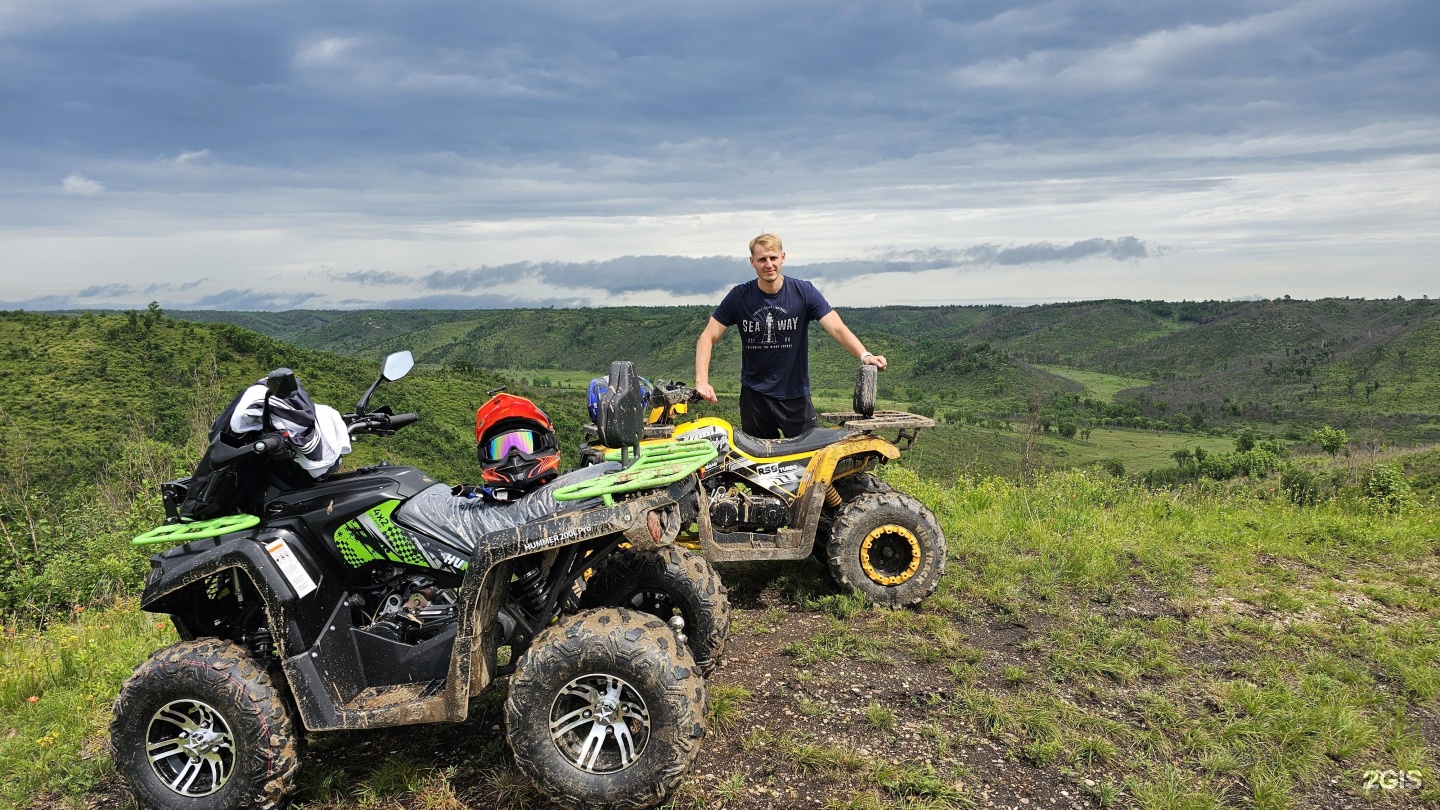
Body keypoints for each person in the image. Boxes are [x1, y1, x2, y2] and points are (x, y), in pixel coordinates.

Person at [694, 233, 887, 439]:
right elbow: (708, 337)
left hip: (795, 396)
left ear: (783, 257)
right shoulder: (740, 297)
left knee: (810, 461)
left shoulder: (803, 292)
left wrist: (864, 354)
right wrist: (702, 382)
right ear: (752, 262)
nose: (768, 264)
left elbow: (837, 328)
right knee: (759, 465)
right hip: (755, 398)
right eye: (762, 259)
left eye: (773, 258)